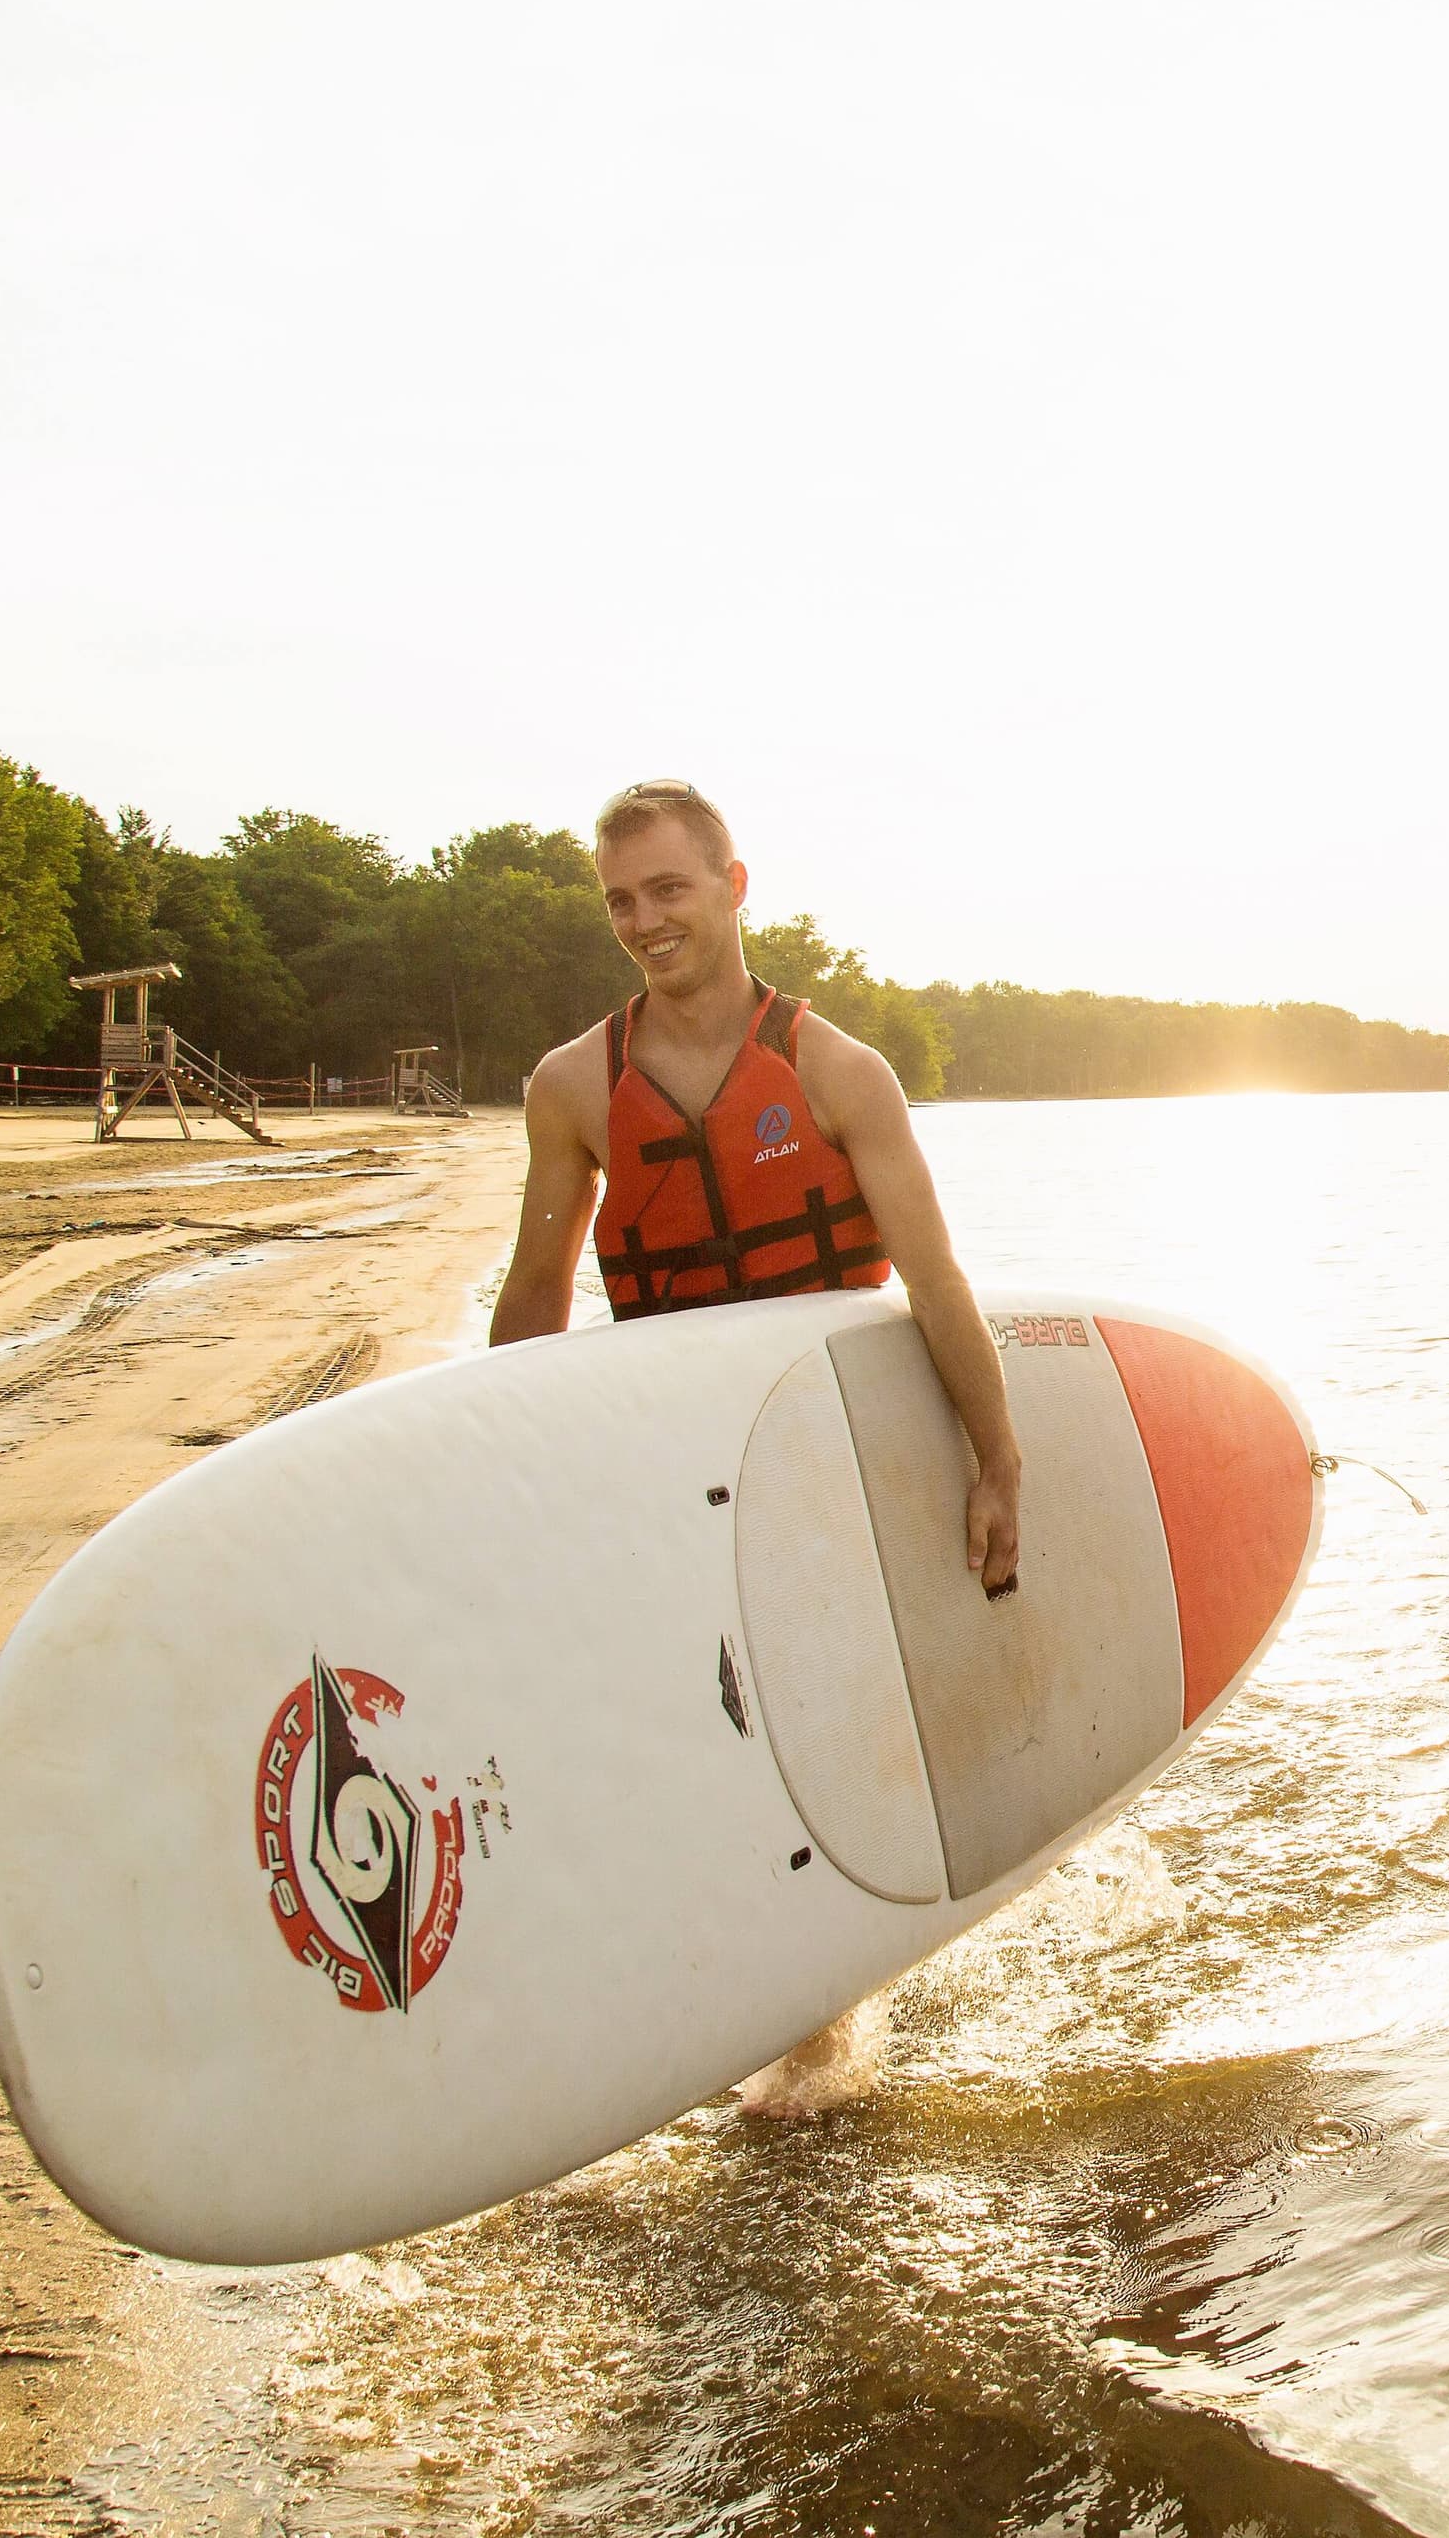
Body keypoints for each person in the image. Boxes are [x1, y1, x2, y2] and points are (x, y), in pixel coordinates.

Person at [491, 776, 1020, 2113]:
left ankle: (820, 2023)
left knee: (820, 1714)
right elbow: (538, 1287)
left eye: (669, 889)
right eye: (620, 901)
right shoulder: (572, 1087)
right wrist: (505, 1471)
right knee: (703, 1725)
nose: (644, 921)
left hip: (828, 1451)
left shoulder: (838, 1071)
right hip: (668, 1460)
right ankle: (757, 1992)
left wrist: (995, 1460)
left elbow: (937, 1278)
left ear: (733, 886)